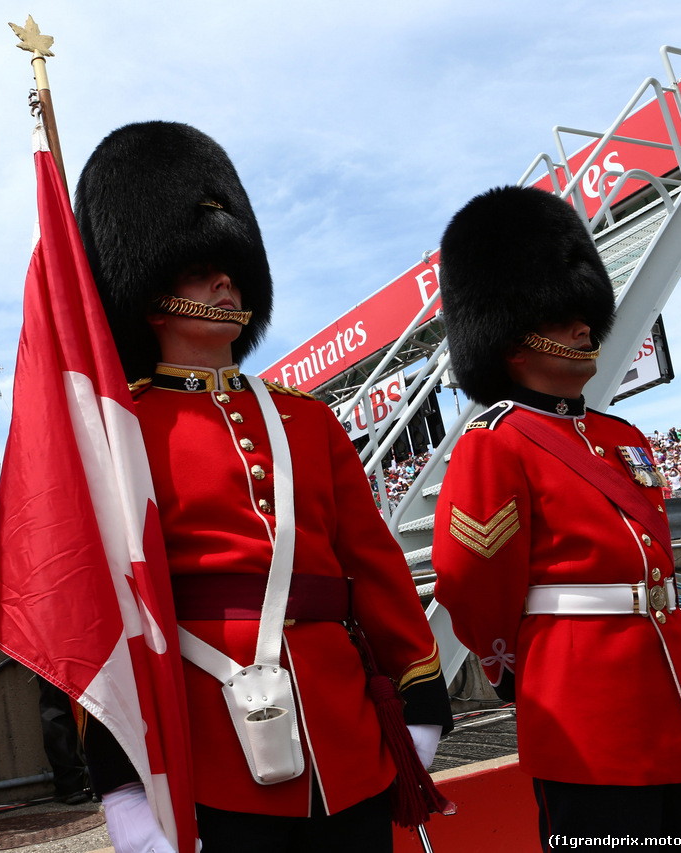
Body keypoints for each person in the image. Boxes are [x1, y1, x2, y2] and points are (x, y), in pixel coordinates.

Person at [73, 121, 452, 853]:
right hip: (209, 743)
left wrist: (420, 697)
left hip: (346, 740)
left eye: (233, 266)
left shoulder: (307, 420)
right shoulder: (120, 428)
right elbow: (98, 611)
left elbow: (371, 564)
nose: (227, 281)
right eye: (199, 267)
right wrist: (120, 781)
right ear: (148, 289)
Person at [432, 186, 681, 851]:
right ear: (511, 336)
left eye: (582, 313)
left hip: (676, 694)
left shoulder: (623, 436)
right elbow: (470, 578)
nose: (583, 327)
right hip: (584, 706)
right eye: (561, 316)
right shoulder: (496, 441)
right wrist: (514, 668)